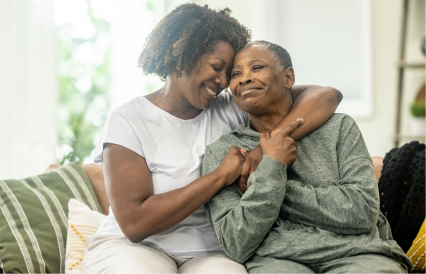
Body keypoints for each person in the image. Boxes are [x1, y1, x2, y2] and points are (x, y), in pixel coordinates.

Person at [82, 4, 342, 273]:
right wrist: (218, 177)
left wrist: (266, 148)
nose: (222, 81)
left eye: (228, 73)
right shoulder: (128, 119)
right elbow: (135, 224)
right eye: (216, 67)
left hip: (211, 251)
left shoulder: (230, 107)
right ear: (180, 54)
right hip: (136, 248)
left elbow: (326, 95)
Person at [202, 41, 412, 273]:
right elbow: (236, 243)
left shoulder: (339, 127)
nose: (245, 78)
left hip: (360, 255)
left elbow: (362, 212)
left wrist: (266, 177)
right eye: (236, 73)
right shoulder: (225, 152)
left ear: (288, 78)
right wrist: (274, 164)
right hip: (276, 260)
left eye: (257, 67)